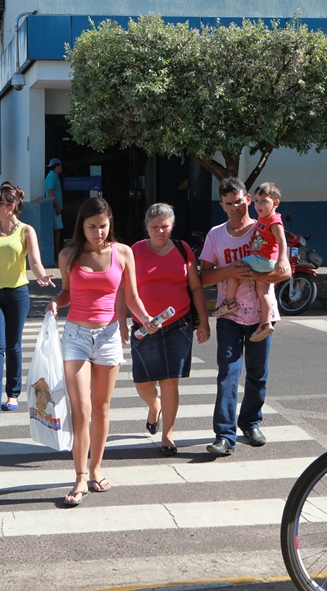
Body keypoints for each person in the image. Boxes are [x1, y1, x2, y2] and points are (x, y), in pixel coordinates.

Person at [46, 197, 158, 507]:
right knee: (80, 410)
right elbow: (67, 291)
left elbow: (131, 295)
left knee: (102, 407)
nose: (98, 232)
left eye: (103, 226)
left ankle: (96, 468)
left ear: (111, 225)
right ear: (81, 226)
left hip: (108, 335)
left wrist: (145, 318)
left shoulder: (123, 253)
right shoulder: (69, 254)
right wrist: (57, 301)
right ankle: (80, 475)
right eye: (92, 226)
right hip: (76, 336)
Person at [199, 177, 291, 456]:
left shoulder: (264, 225)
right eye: (229, 204)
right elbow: (203, 277)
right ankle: (224, 435)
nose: (235, 207)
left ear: (248, 199)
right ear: (222, 206)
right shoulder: (215, 235)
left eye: (239, 201)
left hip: (262, 315)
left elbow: (284, 272)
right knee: (228, 373)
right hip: (230, 316)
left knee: (257, 374)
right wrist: (230, 272)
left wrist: (252, 273)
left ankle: (251, 423)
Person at [117, 203, 210, 456]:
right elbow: (123, 289)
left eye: (165, 226)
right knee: (143, 383)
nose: (160, 231)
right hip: (144, 327)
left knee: (170, 382)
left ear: (172, 226)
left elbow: (196, 287)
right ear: (146, 227)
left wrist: (203, 320)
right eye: (155, 227)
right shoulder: (134, 251)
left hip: (178, 325)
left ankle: (168, 434)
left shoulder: (183, 250)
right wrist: (122, 320)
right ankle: (153, 405)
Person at [0, 186, 54, 421]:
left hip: (17, 294)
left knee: (13, 345)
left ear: (11, 206)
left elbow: (35, 262)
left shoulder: (26, 231)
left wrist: (42, 276)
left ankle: (13, 393)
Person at [212, 182, 289, 342]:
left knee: (235, 269)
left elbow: (282, 241)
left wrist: (282, 259)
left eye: (264, 201)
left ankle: (229, 302)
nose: (259, 205)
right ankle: (266, 323)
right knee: (264, 293)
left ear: (275, 203)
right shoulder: (263, 218)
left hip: (263, 259)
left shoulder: (273, 220)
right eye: (257, 200)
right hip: (265, 261)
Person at [44, 158, 64, 253]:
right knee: (57, 230)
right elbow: (50, 191)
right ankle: (57, 252)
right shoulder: (52, 176)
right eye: (60, 165)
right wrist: (57, 206)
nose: (61, 168)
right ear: (57, 166)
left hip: (53, 207)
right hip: (54, 208)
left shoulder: (51, 176)